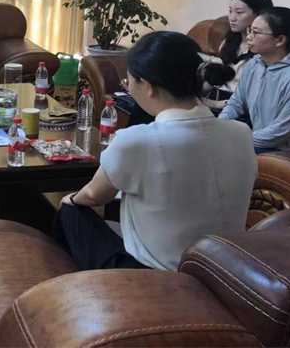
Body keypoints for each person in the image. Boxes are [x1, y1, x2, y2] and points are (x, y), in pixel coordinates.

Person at [54, 31, 256, 272]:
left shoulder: (136, 141)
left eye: (129, 81)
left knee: (70, 211)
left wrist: (71, 198)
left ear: (148, 86)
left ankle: (69, 284)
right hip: (225, 270)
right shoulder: (241, 133)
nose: (128, 87)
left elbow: (94, 196)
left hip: (154, 275)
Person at [219, 7, 290, 154]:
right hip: (258, 140)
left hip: (288, 151)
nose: (249, 37)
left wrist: (234, 139)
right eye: (250, 30)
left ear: (280, 40)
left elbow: (281, 132)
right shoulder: (255, 64)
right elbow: (237, 102)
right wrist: (219, 125)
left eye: (256, 32)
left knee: (217, 152)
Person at [201, 0, 274, 111]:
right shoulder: (228, 41)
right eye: (230, 11)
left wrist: (217, 104)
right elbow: (215, 77)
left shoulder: (266, 49)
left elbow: (260, 95)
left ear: (260, 15)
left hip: (239, 106)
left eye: (239, 12)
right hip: (213, 99)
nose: (232, 18)